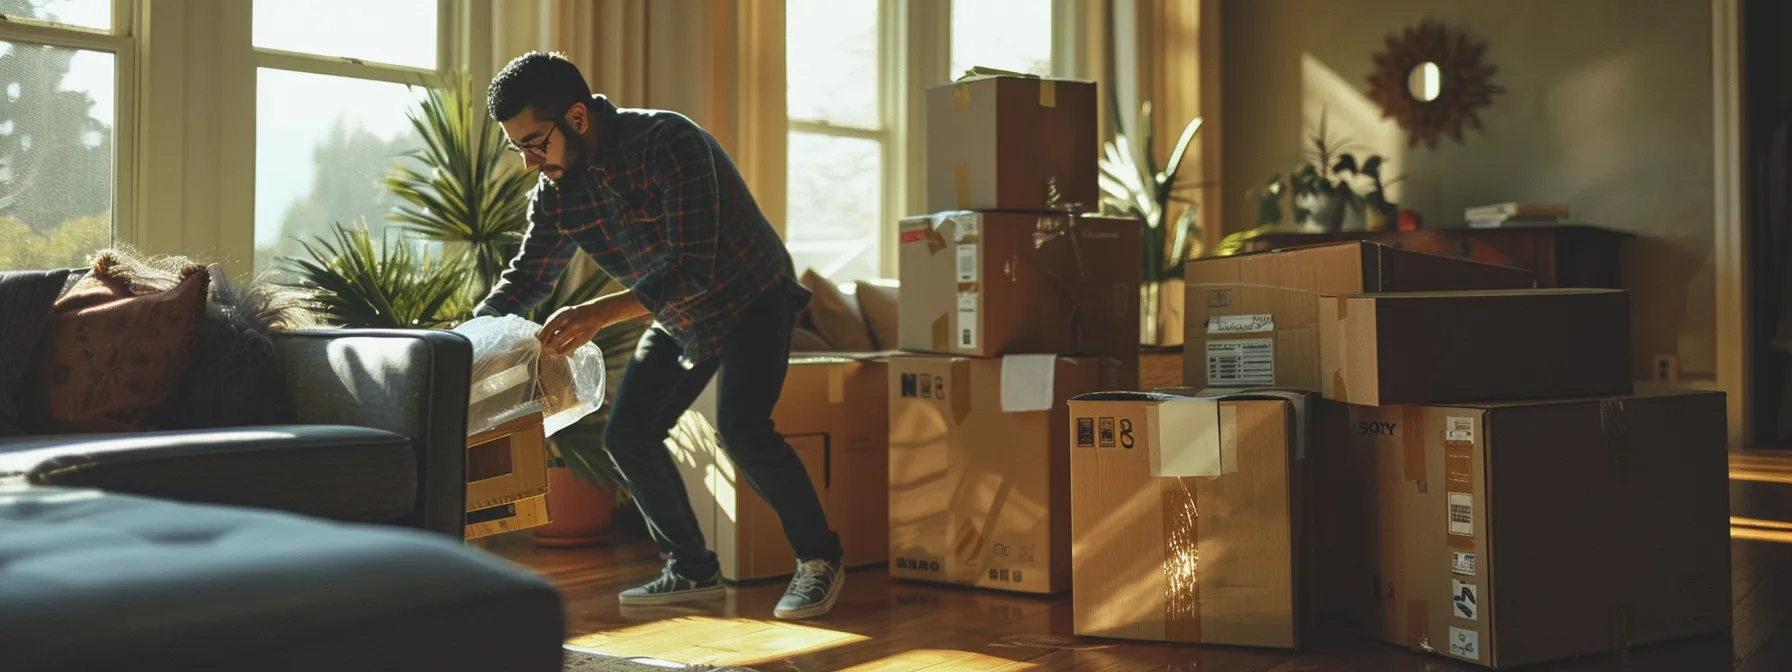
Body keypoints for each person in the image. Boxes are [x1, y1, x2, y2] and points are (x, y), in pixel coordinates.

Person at [474, 52, 845, 621]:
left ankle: (821, 559)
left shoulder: (670, 142)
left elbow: (694, 266)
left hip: (752, 296)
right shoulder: (554, 193)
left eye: (534, 142)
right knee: (628, 436)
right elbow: (528, 278)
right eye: (517, 146)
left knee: (744, 431)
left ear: (576, 118)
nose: (528, 161)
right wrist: (468, 338)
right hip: (678, 315)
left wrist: (599, 313)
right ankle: (692, 568)